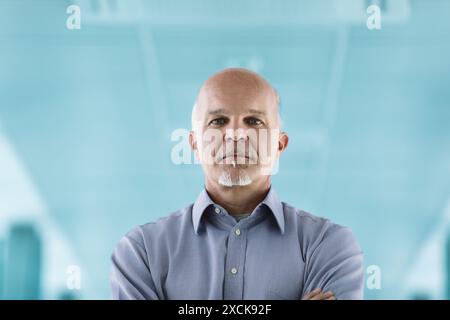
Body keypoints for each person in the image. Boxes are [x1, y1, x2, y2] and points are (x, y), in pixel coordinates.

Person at [110, 68, 364, 300]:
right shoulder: (141, 253)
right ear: (194, 145)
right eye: (218, 121)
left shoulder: (329, 246)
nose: (235, 134)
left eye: (254, 121)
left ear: (279, 146)